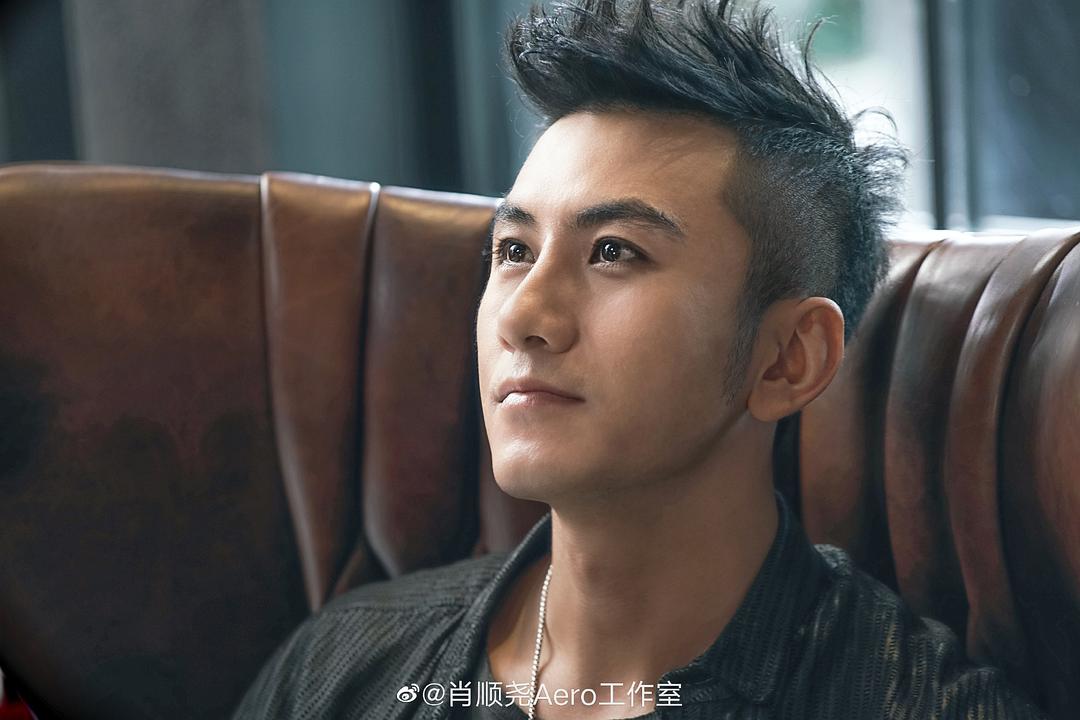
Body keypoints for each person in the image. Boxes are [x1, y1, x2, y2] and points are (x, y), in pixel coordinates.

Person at [232, 1, 1047, 718]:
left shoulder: (919, 706)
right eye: (514, 250)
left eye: (614, 251)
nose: (522, 318)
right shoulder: (345, 667)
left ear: (788, 360)